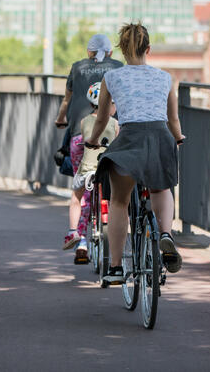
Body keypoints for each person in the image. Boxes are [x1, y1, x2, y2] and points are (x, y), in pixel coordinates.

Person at [85, 22, 185, 284]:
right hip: (160, 137)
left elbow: (103, 118)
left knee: (119, 200)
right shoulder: (165, 77)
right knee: (161, 189)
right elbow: (172, 120)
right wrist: (178, 137)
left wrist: (93, 140)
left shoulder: (112, 78)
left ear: (121, 50)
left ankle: (117, 268)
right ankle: (165, 233)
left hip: (129, 140)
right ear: (148, 48)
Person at [55, 33, 122, 251]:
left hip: (80, 136)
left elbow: (67, 100)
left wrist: (60, 119)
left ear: (88, 52)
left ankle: (80, 238)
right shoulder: (118, 66)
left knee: (81, 186)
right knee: (115, 185)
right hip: (113, 134)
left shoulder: (77, 67)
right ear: (110, 53)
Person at [66, 81, 118, 264]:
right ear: (111, 104)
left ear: (90, 104)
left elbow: (85, 142)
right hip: (110, 171)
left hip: (88, 170)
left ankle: (74, 233)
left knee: (77, 199)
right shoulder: (115, 123)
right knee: (118, 200)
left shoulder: (83, 121)